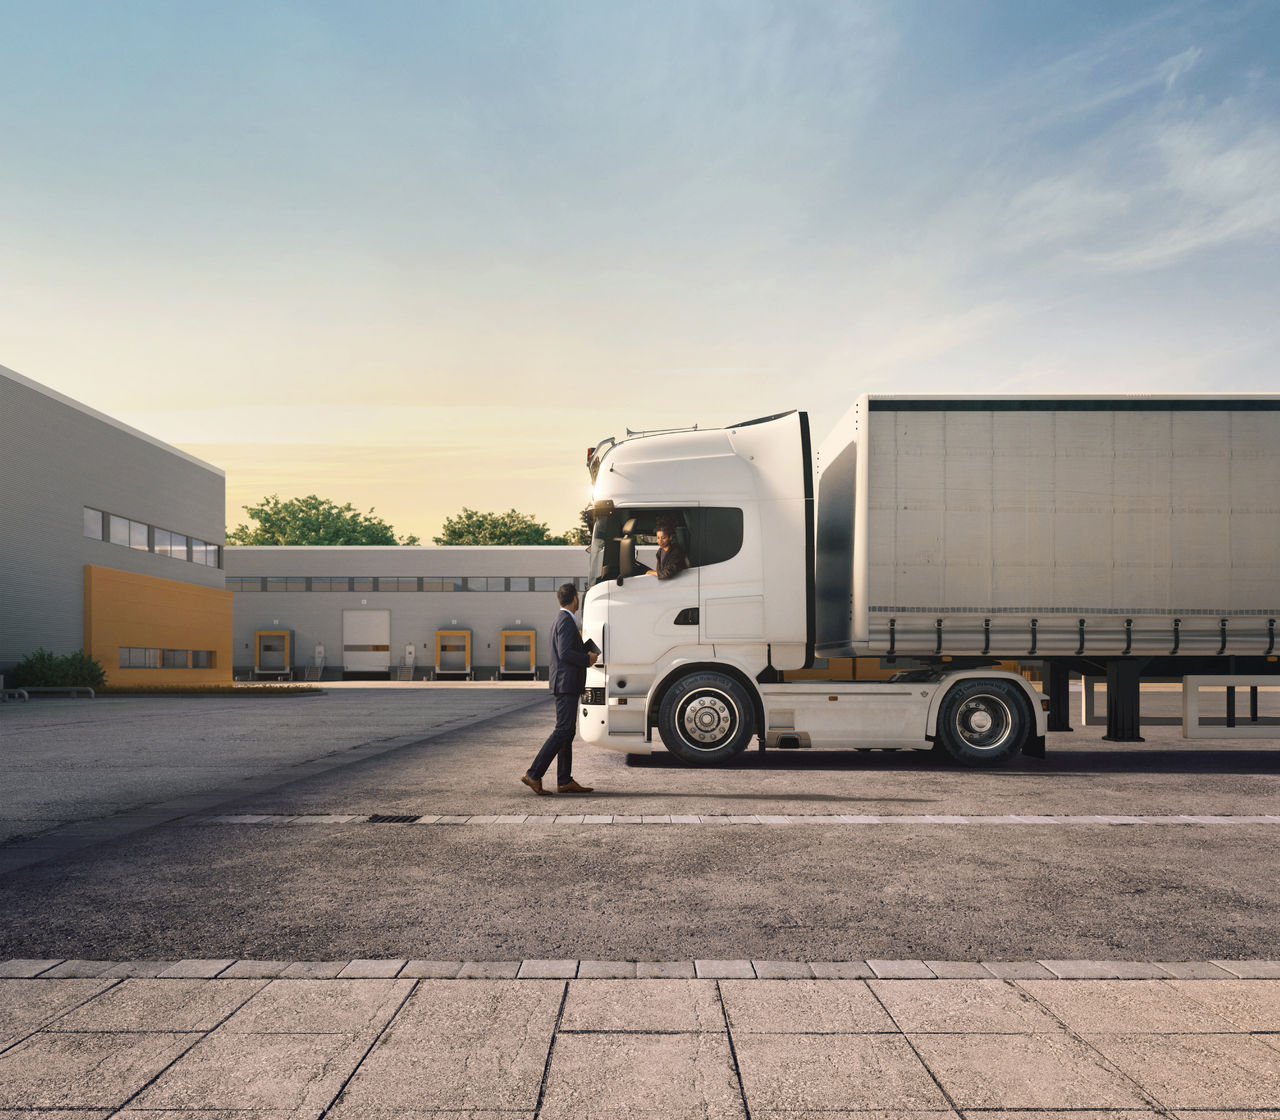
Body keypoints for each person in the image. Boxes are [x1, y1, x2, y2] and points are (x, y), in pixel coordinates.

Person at [522, 582, 598, 795]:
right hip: (566, 684)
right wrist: (587, 658)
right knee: (563, 730)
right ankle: (533, 774)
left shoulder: (562, 620)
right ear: (575, 598)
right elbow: (565, 653)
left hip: (565, 683)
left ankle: (564, 780)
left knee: (567, 731)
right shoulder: (565, 621)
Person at [644, 514, 689, 580]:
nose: (660, 541)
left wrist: (651, 572)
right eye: (658, 538)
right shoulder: (660, 551)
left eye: (663, 538)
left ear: (670, 537)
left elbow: (667, 573)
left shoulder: (676, 551)